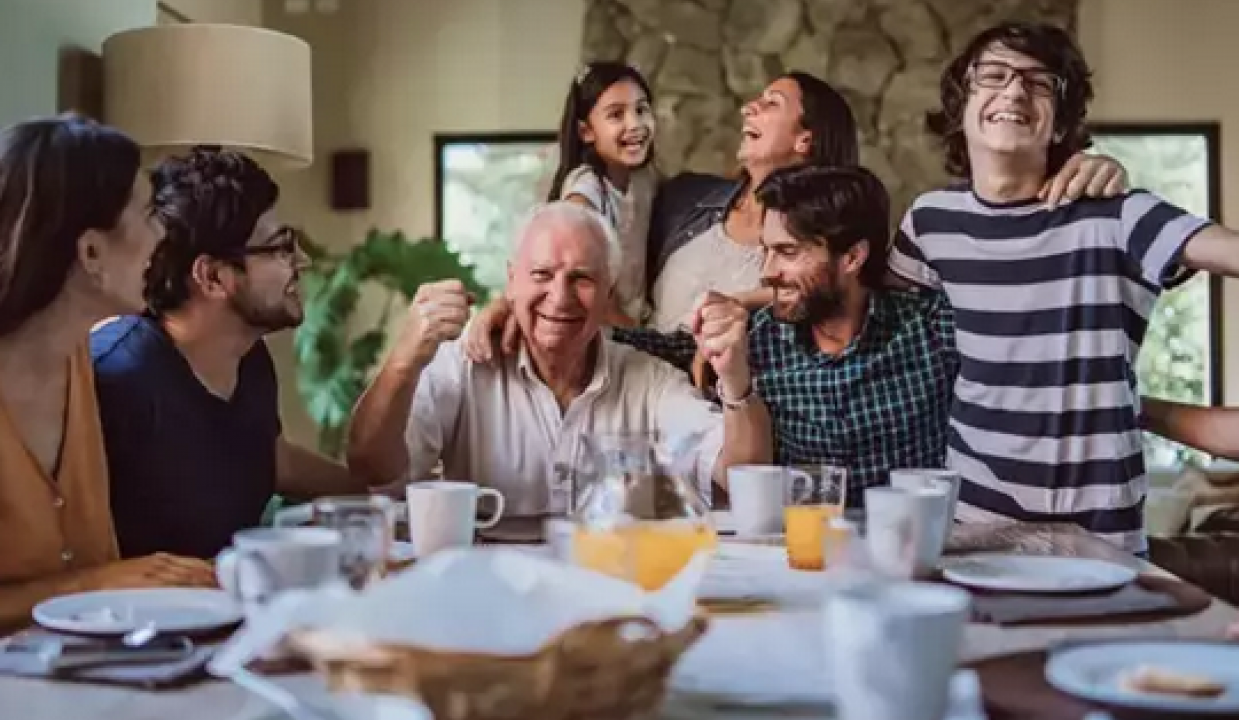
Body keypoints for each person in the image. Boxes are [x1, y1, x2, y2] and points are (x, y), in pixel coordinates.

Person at [888, 21, 1239, 553]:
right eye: (993, 75)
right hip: (973, 528)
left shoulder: (1121, 215)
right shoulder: (929, 223)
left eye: (1039, 82)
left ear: (1059, 124)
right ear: (961, 105)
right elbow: (857, 307)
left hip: (1101, 541)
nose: (1014, 91)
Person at [466, 71, 1129, 363]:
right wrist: (517, 300)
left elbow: (867, 296)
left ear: (807, 139)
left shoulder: (836, 242)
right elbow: (578, 231)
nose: (749, 109)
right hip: (647, 398)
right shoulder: (684, 200)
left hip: (756, 425)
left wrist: (1096, 173)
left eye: (770, 102)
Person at [346, 201, 771, 515]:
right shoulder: (464, 364)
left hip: (613, 597)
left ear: (609, 293)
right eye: (541, 275)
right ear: (511, 282)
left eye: (581, 278)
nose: (560, 297)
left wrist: (734, 378)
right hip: (493, 600)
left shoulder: (649, 380)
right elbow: (372, 467)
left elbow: (741, 477)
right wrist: (403, 360)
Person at [609, 164, 955, 504]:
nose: (767, 272)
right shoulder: (754, 340)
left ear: (852, 257)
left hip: (909, 547)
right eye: (766, 250)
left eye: (788, 252)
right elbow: (655, 345)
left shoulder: (928, 329)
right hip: (797, 553)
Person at [90, 148, 366, 561]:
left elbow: (271, 458)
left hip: (233, 608)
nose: (301, 262)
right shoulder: (119, 373)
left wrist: (381, 497)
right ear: (214, 277)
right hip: (136, 620)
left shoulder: (249, 357)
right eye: (280, 248)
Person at [0, 115, 214, 630]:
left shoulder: (80, 358)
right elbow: (93, 582)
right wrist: (92, 584)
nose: (163, 232)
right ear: (92, 252)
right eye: (148, 215)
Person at [546, 61, 659, 326]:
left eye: (641, 110)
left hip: (638, 324)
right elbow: (581, 285)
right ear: (586, 132)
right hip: (602, 332)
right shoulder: (586, 188)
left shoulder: (643, 178)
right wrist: (645, 341)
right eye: (616, 115)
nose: (635, 124)